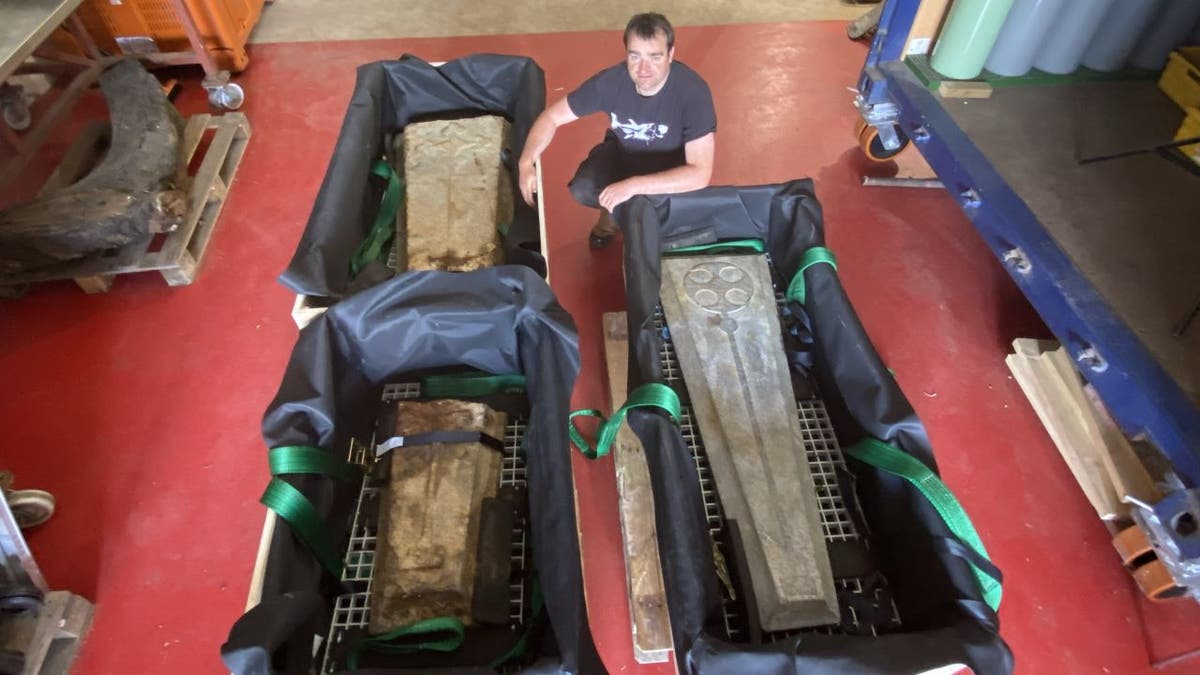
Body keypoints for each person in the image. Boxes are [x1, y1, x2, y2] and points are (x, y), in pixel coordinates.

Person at [517, 13, 717, 249]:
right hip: (625, 155)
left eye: (655, 57)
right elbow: (551, 117)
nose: (644, 68)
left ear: (670, 55)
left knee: (654, 234)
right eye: (635, 56)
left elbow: (700, 174)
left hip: (670, 168)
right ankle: (610, 216)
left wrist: (632, 186)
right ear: (627, 54)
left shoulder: (693, 92)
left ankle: (644, 219)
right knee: (584, 188)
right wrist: (526, 162)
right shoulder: (610, 82)